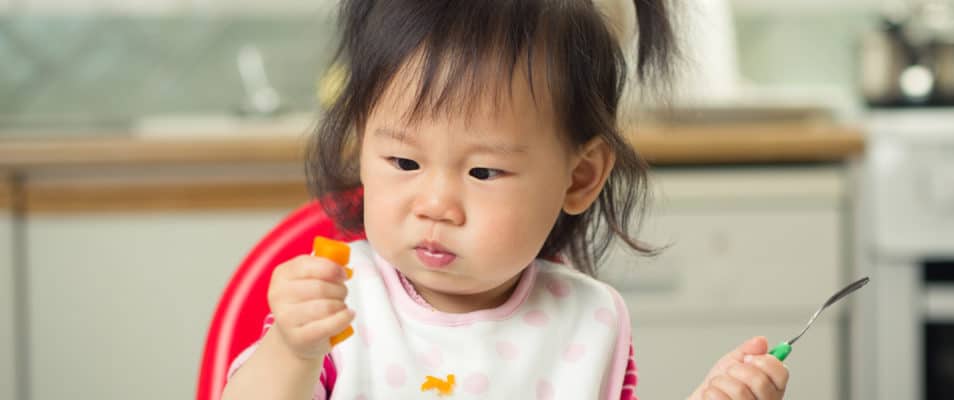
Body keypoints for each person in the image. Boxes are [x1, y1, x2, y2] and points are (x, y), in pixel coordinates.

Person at [222, 1, 789, 399]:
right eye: (404, 163)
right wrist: (292, 351)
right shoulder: (342, 300)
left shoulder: (585, 322)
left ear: (579, 178)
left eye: (484, 171)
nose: (437, 204)